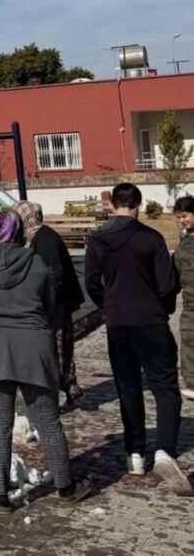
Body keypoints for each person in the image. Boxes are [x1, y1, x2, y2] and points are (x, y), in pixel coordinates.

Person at [0, 204, 92, 513]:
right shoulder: (36, 263)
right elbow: (49, 304)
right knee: (47, 420)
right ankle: (66, 487)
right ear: (17, 229)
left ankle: (1, 496)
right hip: (34, 347)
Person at [85, 183, 190, 494]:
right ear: (139, 206)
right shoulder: (151, 238)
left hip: (118, 323)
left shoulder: (98, 240)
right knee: (165, 386)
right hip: (151, 320)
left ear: (112, 204)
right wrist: (163, 308)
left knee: (128, 388)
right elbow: (167, 284)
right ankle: (165, 450)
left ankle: (135, 454)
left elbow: (91, 282)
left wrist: (108, 305)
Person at [12, 200, 87, 407]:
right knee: (58, 351)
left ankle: (61, 391)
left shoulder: (45, 238)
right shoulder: (34, 236)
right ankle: (66, 389)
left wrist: (46, 304)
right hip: (52, 306)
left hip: (55, 307)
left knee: (57, 352)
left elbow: (54, 275)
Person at [171, 195, 194, 401]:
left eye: (185, 216)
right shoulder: (183, 243)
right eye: (179, 217)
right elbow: (175, 275)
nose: (182, 220)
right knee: (189, 341)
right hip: (190, 304)